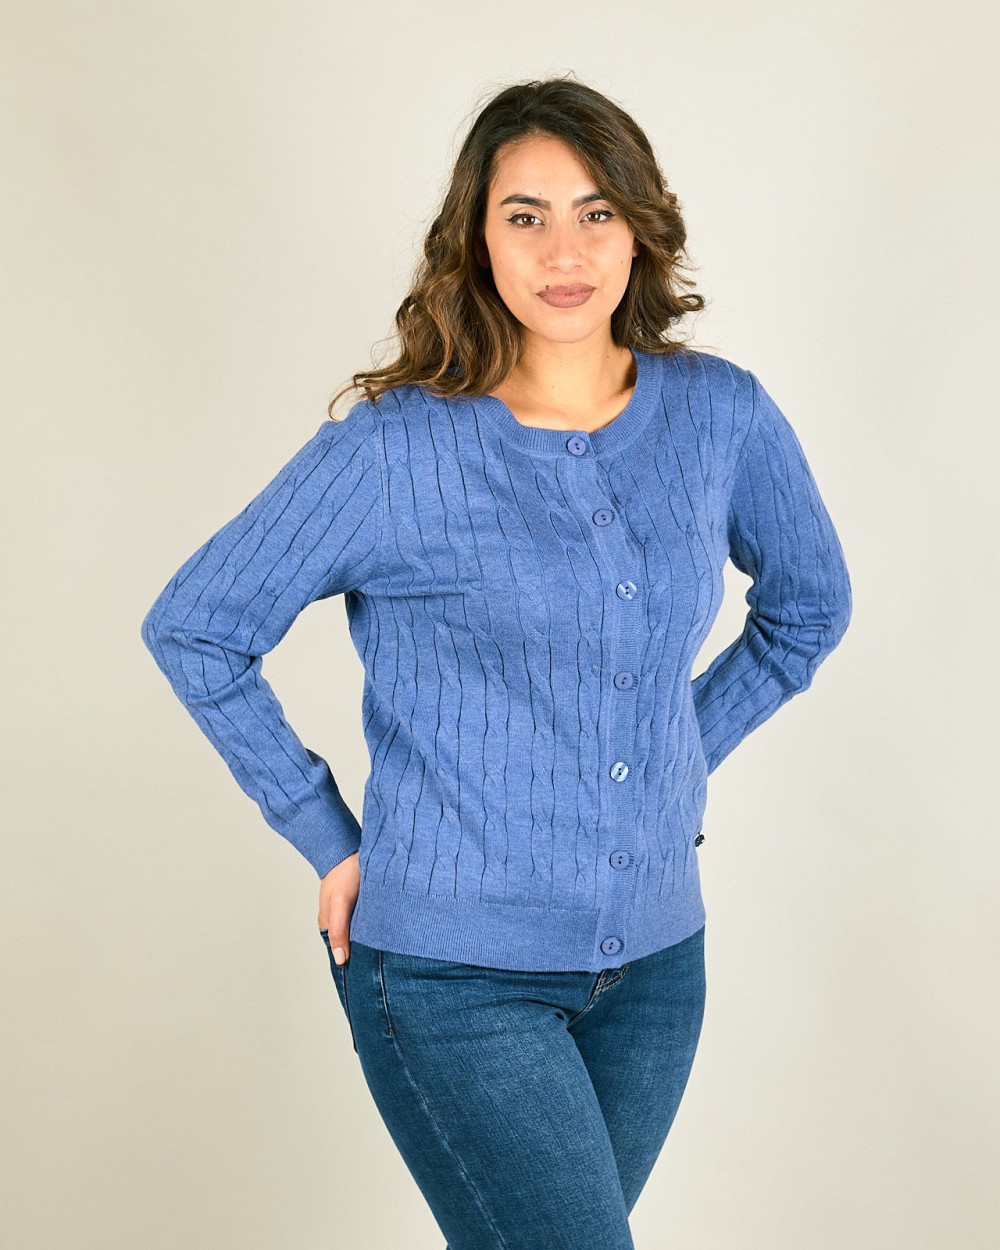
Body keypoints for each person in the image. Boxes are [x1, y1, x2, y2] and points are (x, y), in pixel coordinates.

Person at [140, 76, 852, 1250]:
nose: (564, 251)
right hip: (447, 976)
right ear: (475, 238)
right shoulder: (393, 448)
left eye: (595, 212)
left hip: (658, 968)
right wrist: (326, 833)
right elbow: (197, 625)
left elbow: (807, 608)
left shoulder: (719, 415)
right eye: (525, 216)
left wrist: (675, 749)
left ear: (641, 227)